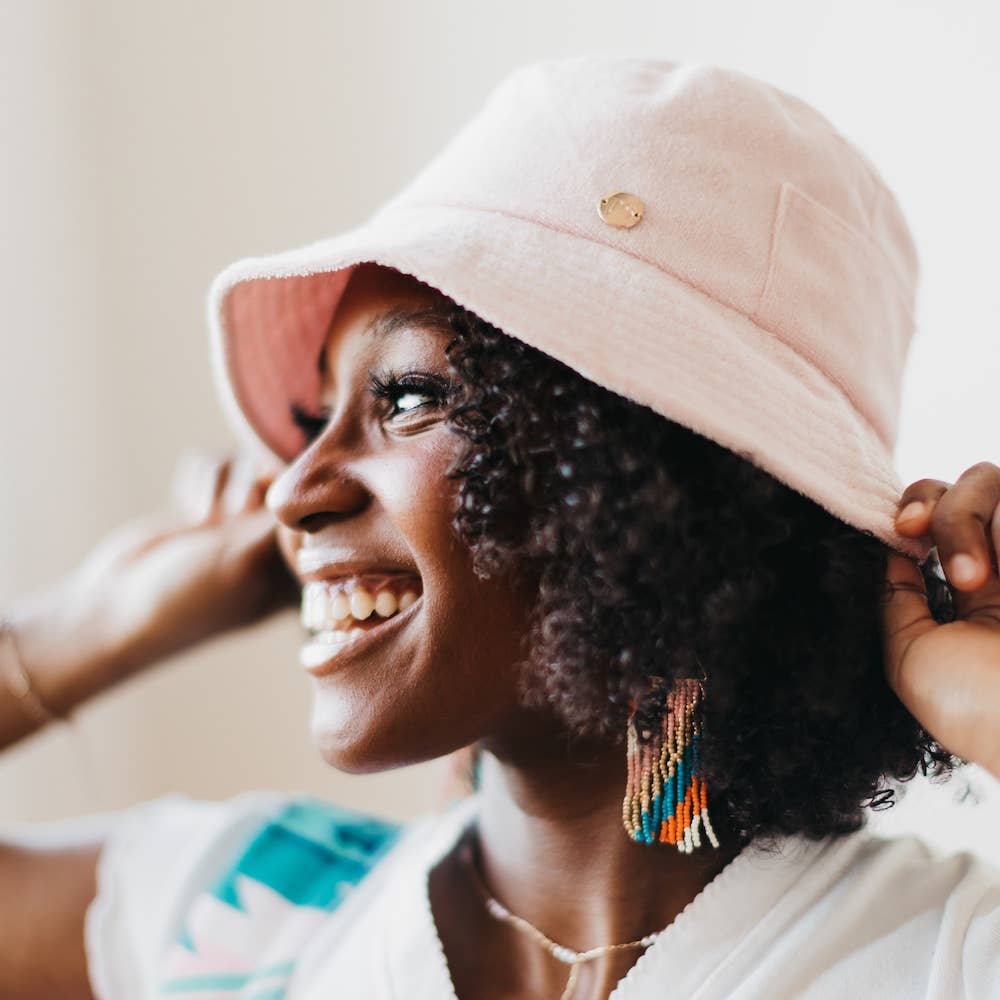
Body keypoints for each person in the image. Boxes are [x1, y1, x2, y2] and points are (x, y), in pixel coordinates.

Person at [1, 54, 998, 1000]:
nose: (291, 489)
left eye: (405, 397)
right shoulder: (242, 911)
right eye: (317, 419)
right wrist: (106, 615)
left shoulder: (945, 956)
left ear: (648, 486)